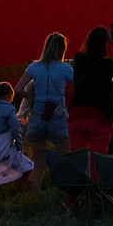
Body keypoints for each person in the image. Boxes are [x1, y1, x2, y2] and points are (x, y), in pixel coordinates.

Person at [18, 33, 73, 192]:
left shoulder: (34, 67)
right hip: (58, 112)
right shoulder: (66, 68)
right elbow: (77, 90)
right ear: (62, 49)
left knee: (38, 165)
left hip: (39, 113)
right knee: (67, 159)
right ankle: (69, 197)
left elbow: (18, 89)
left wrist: (32, 96)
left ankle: (35, 200)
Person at [70, 26, 113, 155]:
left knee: (78, 160)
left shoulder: (78, 59)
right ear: (105, 43)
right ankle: (95, 176)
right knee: (97, 161)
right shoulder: (106, 65)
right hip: (99, 118)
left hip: (77, 116)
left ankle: (78, 176)